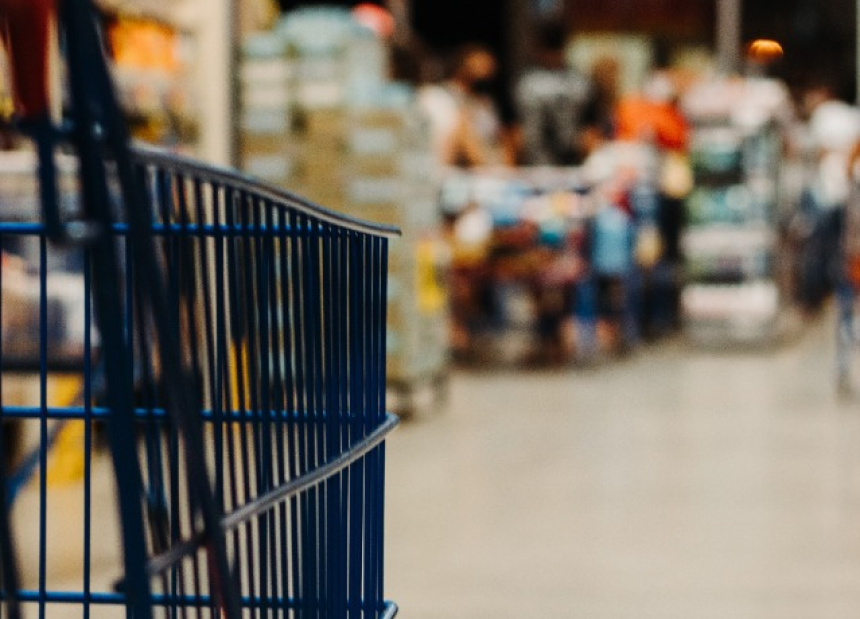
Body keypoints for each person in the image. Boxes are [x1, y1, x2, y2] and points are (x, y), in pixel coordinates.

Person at [417, 43, 514, 168]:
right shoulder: (440, 97)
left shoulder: (485, 101)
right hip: (464, 170)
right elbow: (463, 138)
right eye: (480, 64)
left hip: (493, 168)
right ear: (463, 65)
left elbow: (500, 137)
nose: (486, 70)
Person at [513, 22, 595, 166]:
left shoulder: (524, 83)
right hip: (537, 164)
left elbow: (589, 133)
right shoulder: (579, 83)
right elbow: (515, 134)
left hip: (565, 164)